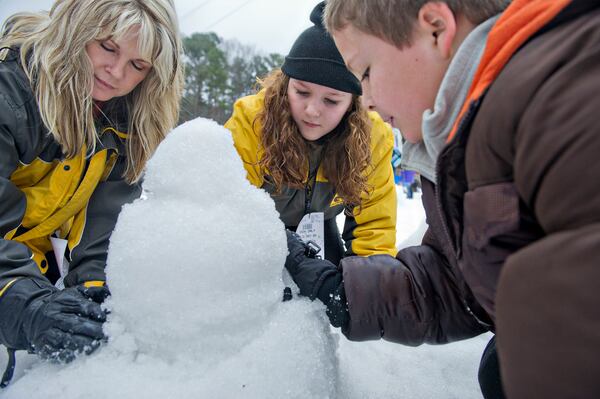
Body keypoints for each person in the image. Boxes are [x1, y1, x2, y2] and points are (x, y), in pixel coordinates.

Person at [284, 0, 600, 398]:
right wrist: (341, 288)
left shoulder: (570, 91)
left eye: (365, 73)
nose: (364, 101)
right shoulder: (467, 139)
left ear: (435, 28)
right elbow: (457, 281)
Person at [0, 0, 184, 379]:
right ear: (76, 30)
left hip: (24, 261)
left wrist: (95, 290)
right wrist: (26, 303)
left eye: (138, 65)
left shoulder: (122, 123)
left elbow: (105, 224)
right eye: (108, 47)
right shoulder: (10, 97)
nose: (116, 72)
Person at [225, 2, 397, 266]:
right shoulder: (252, 121)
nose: (312, 111)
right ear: (285, 85)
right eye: (302, 92)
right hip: (256, 235)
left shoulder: (374, 138)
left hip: (321, 229)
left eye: (331, 101)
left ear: (353, 104)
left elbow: (375, 229)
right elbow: (226, 213)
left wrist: (368, 289)